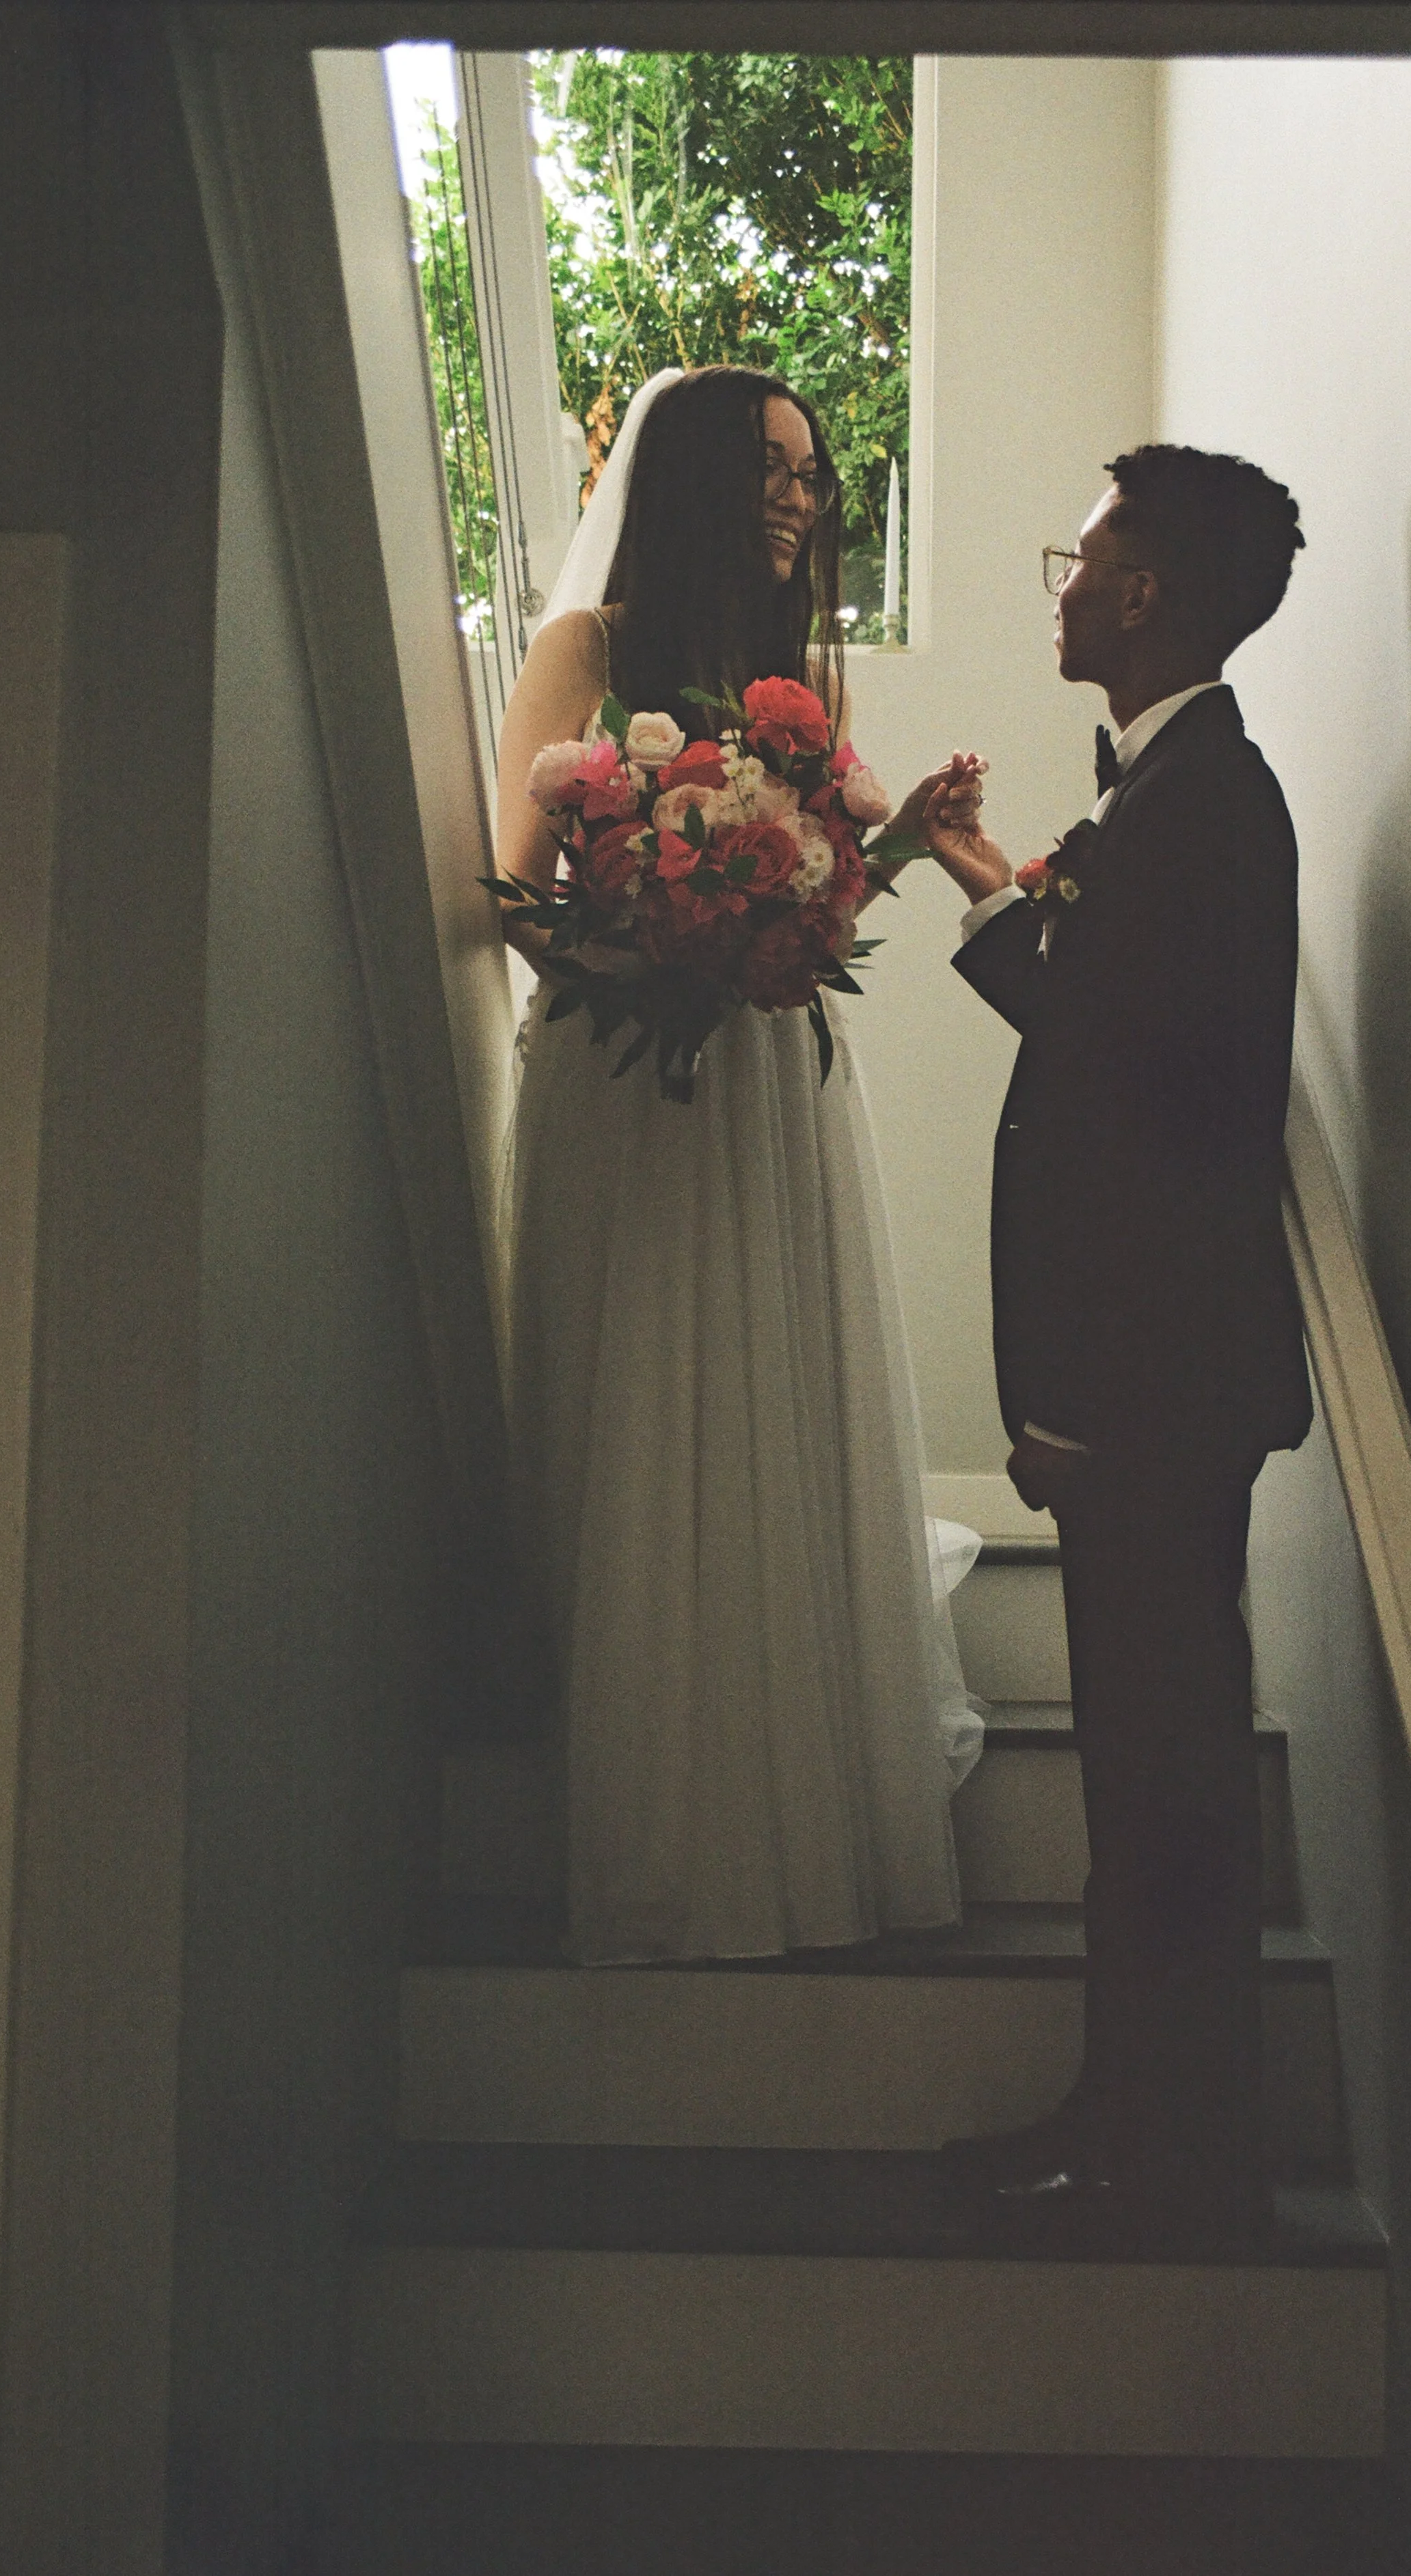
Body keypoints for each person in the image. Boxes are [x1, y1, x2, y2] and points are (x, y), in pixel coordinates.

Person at [495, 365, 977, 1967]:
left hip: (767, 1073)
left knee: (770, 1396)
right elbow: (508, 888)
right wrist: (649, 908)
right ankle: (644, 1816)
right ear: (692, 477)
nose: (796, 496)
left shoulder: (797, 691)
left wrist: (880, 847)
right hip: (623, 1068)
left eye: (809, 473)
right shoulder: (585, 651)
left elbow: (835, 894)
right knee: (640, 1407)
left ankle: (787, 1796)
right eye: (768, 468)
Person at [925, 445, 1314, 2254]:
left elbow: (1161, 1131)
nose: (1060, 577)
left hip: (1148, 1408)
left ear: (1143, 589)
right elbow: (1103, 1024)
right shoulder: (1180, 800)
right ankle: (1130, 2122)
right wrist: (980, 877)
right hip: (1154, 1403)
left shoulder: (1208, 805)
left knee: (1160, 1794)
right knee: (1141, 1783)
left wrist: (1083, 1403)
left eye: (1075, 551)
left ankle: (1168, 2157)